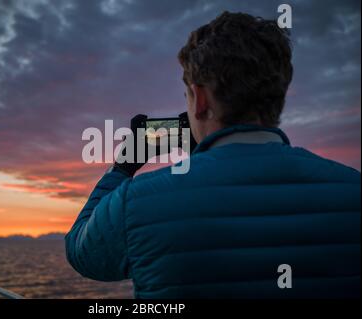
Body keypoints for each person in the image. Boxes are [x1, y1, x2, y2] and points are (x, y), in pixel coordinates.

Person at [65, 11, 361, 298]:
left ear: (201, 100)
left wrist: (124, 165)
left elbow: (81, 252)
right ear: (279, 95)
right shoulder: (352, 190)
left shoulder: (136, 201)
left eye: (188, 96)